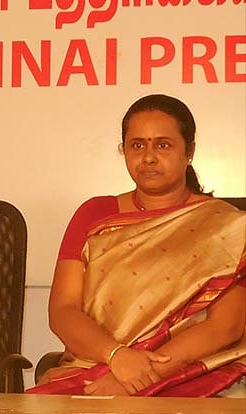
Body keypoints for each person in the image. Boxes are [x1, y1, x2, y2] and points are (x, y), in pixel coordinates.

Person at [27, 94, 245, 397]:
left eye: (163, 145)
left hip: (192, 373)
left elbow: (225, 327)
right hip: (98, 365)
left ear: (190, 151)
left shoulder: (227, 226)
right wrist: (116, 356)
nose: (149, 157)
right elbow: (63, 310)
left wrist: (139, 377)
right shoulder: (95, 215)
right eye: (137, 145)